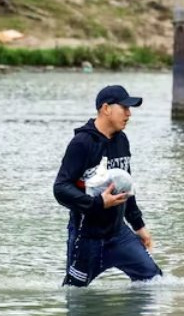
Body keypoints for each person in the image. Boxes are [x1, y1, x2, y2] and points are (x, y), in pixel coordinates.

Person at [53, 85, 162, 287]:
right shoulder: (82, 143)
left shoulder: (122, 141)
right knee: (75, 295)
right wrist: (97, 203)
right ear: (106, 108)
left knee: (154, 281)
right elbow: (60, 188)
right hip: (86, 237)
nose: (129, 114)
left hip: (118, 234)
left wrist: (139, 226)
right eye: (124, 108)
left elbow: (126, 187)